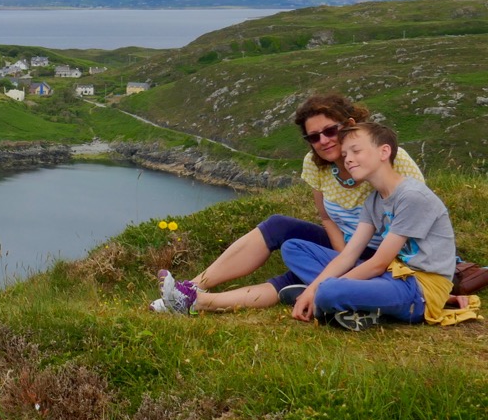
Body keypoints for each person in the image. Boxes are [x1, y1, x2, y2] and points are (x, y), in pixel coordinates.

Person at [154, 93, 423, 315]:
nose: (323, 141)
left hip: (389, 256)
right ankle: (191, 289)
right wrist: (342, 256)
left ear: (350, 125)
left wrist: (349, 263)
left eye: (330, 130)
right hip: (348, 247)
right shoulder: (316, 165)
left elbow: (415, 213)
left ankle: (198, 303)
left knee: (292, 278)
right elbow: (327, 218)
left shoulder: (391, 158)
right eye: (313, 137)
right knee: (278, 226)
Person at [282, 121, 477, 329]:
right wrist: (315, 288)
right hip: (391, 275)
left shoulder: (412, 196)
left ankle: (332, 299)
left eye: (356, 151)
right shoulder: (373, 201)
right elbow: (348, 255)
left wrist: (324, 287)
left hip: (420, 287)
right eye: (345, 154)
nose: (348, 159)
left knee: (330, 291)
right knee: (293, 247)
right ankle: (342, 301)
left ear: (384, 152)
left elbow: (379, 263)